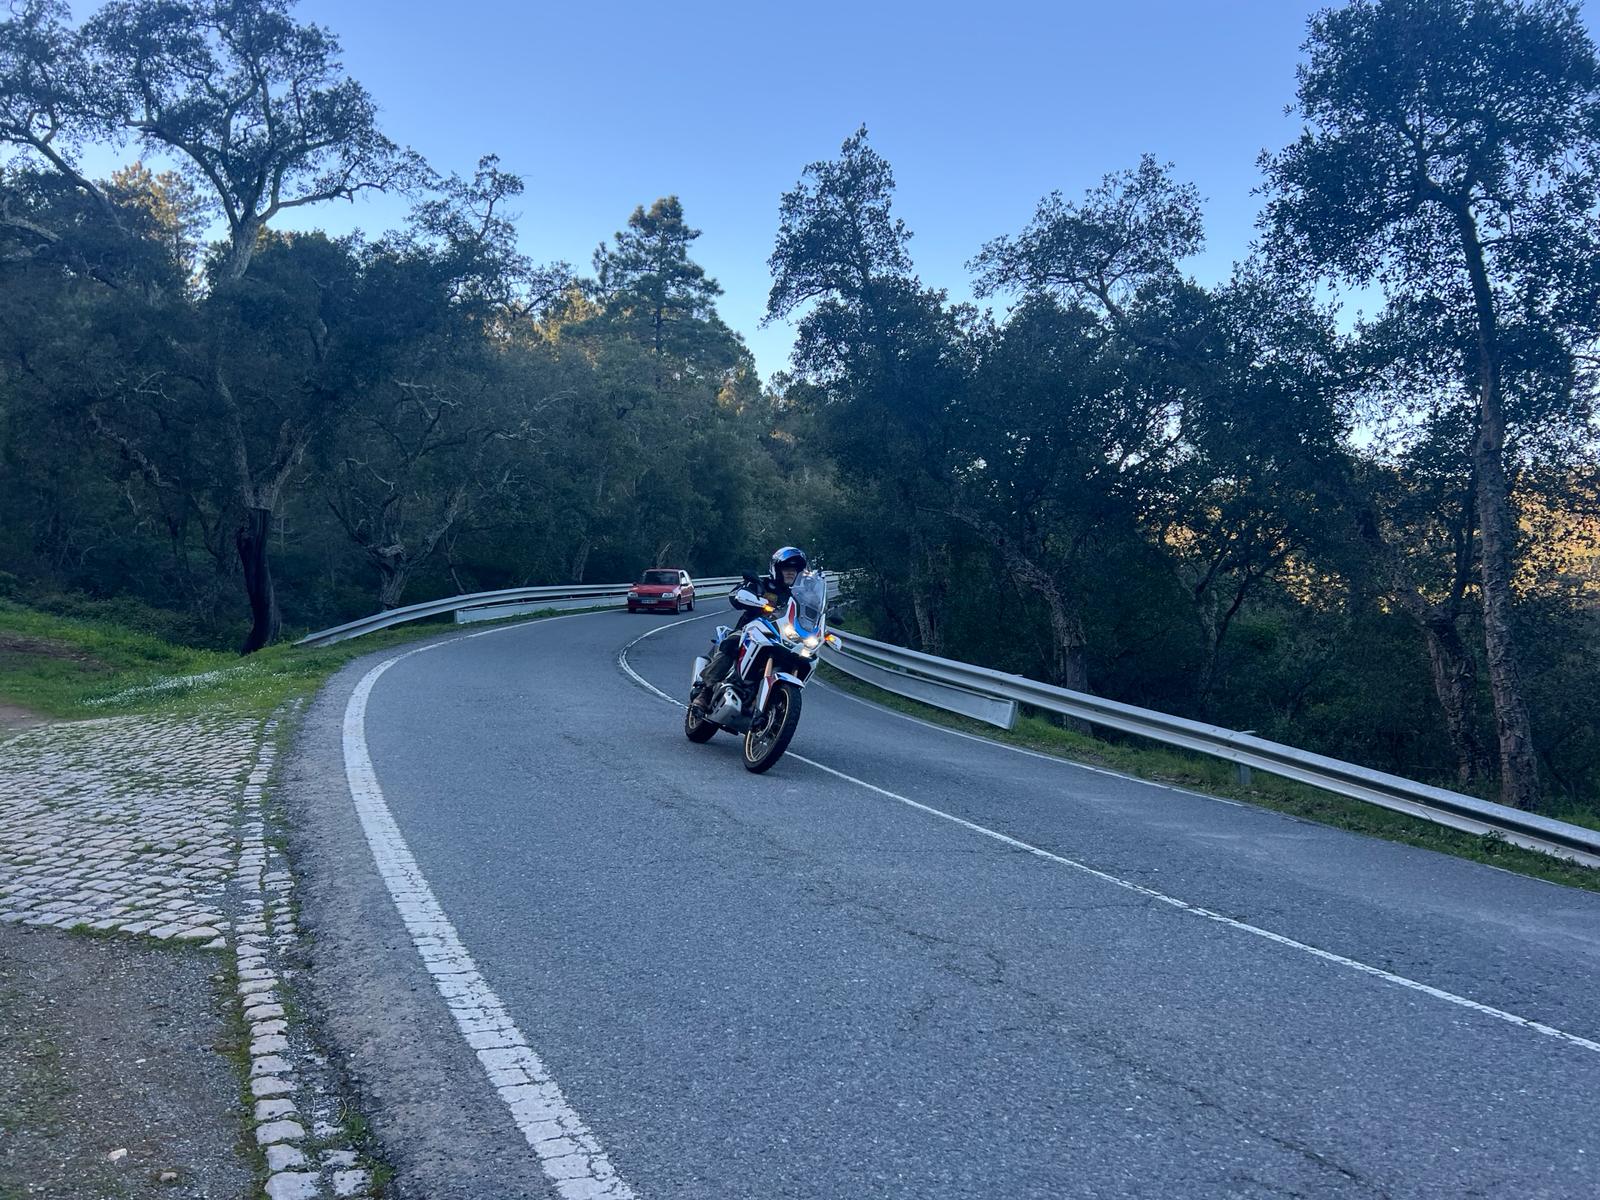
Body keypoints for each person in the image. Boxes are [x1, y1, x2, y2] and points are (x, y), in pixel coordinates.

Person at [693, 546, 808, 708]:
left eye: (795, 570)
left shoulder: (796, 598)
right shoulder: (761, 585)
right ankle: (706, 690)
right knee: (733, 642)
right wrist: (756, 600)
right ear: (776, 569)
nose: (791, 572)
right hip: (750, 631)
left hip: (781, 638)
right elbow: (736, 595)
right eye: (787, 568)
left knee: (800, 657)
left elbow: (805, 617)